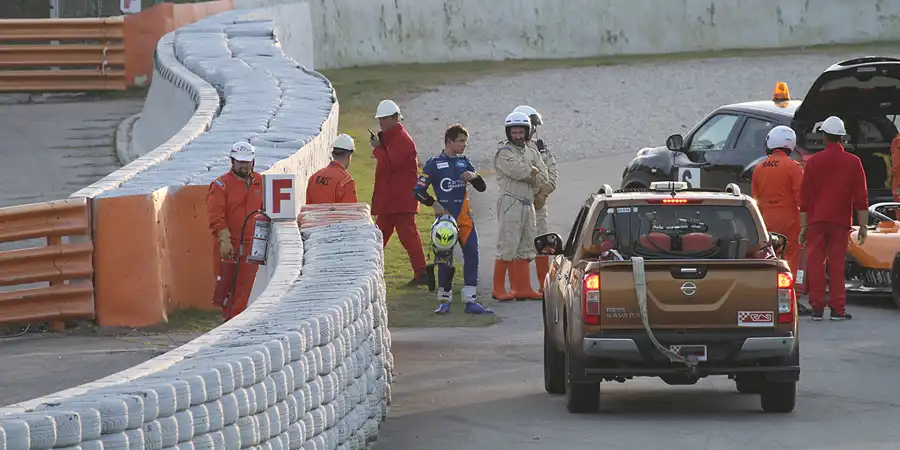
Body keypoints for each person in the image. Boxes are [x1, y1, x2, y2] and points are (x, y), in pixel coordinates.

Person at [413, 124, 494, 315]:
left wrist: (474, 177)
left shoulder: (464, 162)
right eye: (461, 141)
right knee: (444, 260)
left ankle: (470, 301)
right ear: (449, 141)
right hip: (445, 221)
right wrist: (434, 204)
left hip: (465, 219)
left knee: (472, 255)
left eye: (465, 141)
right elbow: (418, 191)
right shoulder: (433, 164)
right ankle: (444, 301)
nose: (464, 145)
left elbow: (481, 187)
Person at [799, 115, 869, 321]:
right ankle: (838, 309)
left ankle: (817, 308)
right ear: (842, 138)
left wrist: (803, 227)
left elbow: (804, 197)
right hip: (840, 221)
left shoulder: (813, 162)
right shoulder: (854, 162)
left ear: (823, 137)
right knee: (837, 265)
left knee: (815, 263)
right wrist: (863, 226)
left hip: (815, 221)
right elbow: (861, 197)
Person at [492, 111, 550, 301]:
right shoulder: (504, 153)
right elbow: (517, 171)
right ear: (509, 133)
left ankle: (523, 288)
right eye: (514, 132)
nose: (517, 136)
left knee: (526, 246)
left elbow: (544, 177)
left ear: (527, 132)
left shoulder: (532, 152)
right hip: (510, 201)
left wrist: (532, 173)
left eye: (520, 132)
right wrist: (532, 172)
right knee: (507, 244)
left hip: (528, 202)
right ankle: (498, 288)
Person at [371, 99, 429, 286]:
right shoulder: (396, 138)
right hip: (394, 200)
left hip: (399, 200)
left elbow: (389, 165)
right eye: (380, 119)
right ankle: (420, 274)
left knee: (404, 237)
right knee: (380, 238)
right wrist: (380, 146)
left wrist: (378, 149)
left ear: (396, 118)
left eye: (385, 119)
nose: (381, 123)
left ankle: (422, 273)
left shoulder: (402, 140)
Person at [207, 142, 264, 321]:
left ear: (253, 162)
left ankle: (238, 322)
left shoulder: (261, 182)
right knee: (227, 287)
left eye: (247, 161)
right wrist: (224, 238)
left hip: (253, 245)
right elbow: (215, 214)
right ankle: (229, 322)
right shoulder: (221, 185)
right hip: (229, 245)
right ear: (232, 161)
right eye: (240, 162)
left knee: (247, 288)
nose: (244, 165)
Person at [513, 105, 559, 295]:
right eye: (532, 125)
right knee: (516, 245)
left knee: (542, 245)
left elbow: (553, 174)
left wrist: (542, 195)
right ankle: (518, 287)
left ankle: (543, 286)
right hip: (517, 203)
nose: (534, 130)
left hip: (538, 205)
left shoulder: (541, 148)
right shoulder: (510, 149)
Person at [751, 125, 804, 279]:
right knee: (791, 256)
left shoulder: (759, 167)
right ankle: (790, 293)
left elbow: (755, 198)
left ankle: (769, 289)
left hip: (766, 218)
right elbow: (801, 197)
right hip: (790, 219)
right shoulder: (794, 167)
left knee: (769, 255)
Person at [306, 133, 359, 204]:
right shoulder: (346, 181)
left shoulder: (314, 177)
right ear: (349, 155)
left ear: (333, 154)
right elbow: (350, 212)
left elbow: (308, 208)